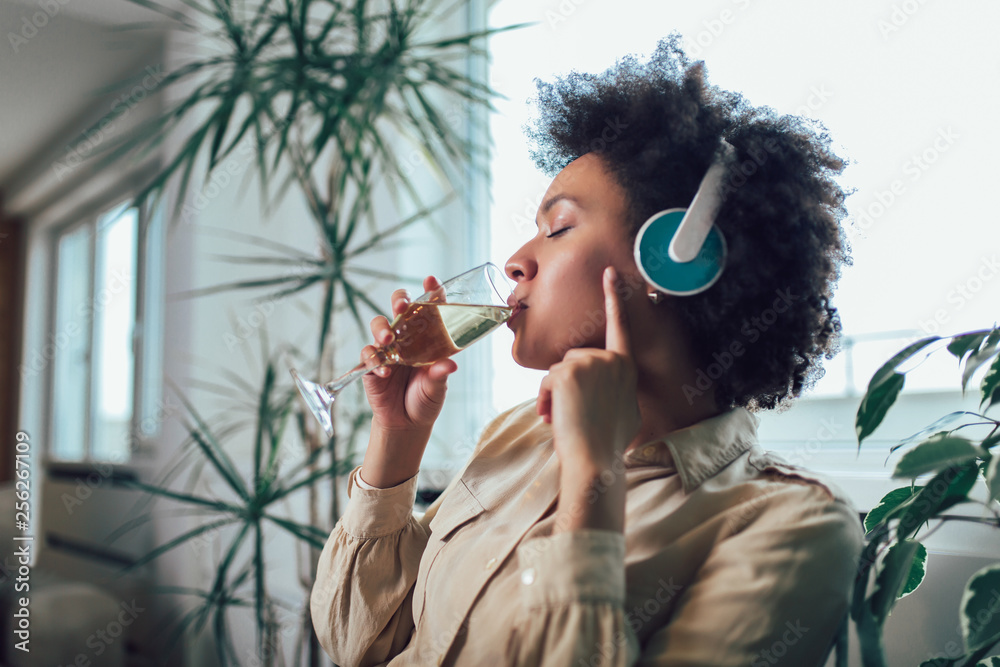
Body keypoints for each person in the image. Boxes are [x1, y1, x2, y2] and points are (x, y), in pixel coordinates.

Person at [311, 35, 864, 666]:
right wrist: (397, 439)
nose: (517, 261)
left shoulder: (790, 526)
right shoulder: (519, 435)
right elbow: (361, 644)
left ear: (672, 262)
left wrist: (593, 478)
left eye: (560, 227)